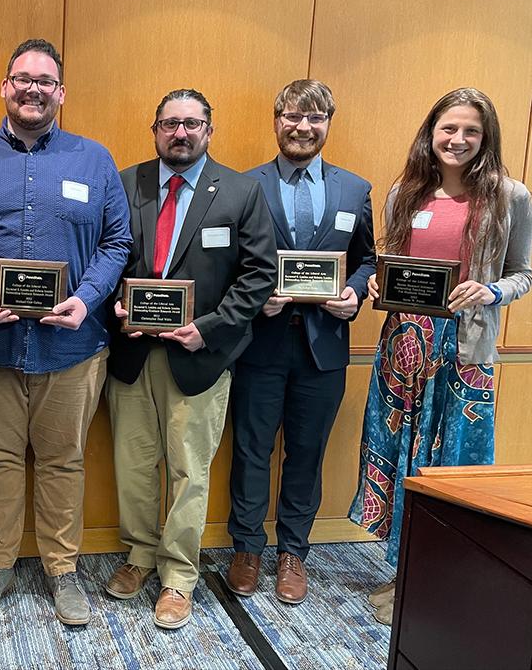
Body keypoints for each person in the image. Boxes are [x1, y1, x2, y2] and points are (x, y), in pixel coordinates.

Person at [0, 38, 131, 626]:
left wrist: (85, 297)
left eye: (45, 81)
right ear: (5, 87)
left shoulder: (93, 159)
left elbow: (116, 241)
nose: (33, 89)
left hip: (71, 345)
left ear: (61, 93)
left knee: (64, 461)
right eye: (22, 78)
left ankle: (62, 570)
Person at [348, 87, 532, 624]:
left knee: (450, 464)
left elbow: (524, 272)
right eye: (449, 129)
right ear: (432, 132)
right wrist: (381, 290)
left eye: (471, 131)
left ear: (486, 138)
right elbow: (390, 265)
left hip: (466, 352)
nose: (458, 140)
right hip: (402, 349)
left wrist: (490, 291)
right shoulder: (405, 192)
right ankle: (404, 570)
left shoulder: (510, 196)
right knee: (401, 456)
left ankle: (440, 576)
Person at [104, 89, 277, 629]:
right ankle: (138, 555)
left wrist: (209, 330)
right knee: (133, 465)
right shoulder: (125, 181)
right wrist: (113, 305)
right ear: (155, 128)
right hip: (132, 351)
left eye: (192, 124)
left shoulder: (242, 191)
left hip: (199, 357)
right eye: (170, 123)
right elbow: (107, 252)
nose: (180, 133)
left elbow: (258, 276)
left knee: (188, 468)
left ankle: (179, 574)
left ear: (209, 129)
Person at [225, 80, 376, 605]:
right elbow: (228, 264)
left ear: (328, 124)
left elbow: (367, 261)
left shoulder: (355, 190)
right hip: (259, 345)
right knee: (251, 450)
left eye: (314, 118)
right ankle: (247, 547)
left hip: (325, 347)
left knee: (307, 453)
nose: (303, 127)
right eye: (293, 116)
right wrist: (253, 298)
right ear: (276, 120)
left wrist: (354, 295)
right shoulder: (244, 186)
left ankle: (294, 552)